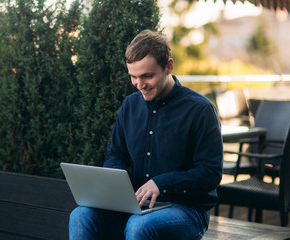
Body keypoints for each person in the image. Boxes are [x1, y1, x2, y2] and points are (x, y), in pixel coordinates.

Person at [69, 29, 223, 240]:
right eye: (133, 76)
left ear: (169, 66)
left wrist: (162, 182)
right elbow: (116, 153)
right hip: (136, 207)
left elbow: (210, 174)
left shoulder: (200, 110)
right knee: (81, 216)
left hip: (186, 210)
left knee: (139, 227)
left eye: (147, 76)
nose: (140, 85)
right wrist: (116, 183)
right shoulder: (129, 105)